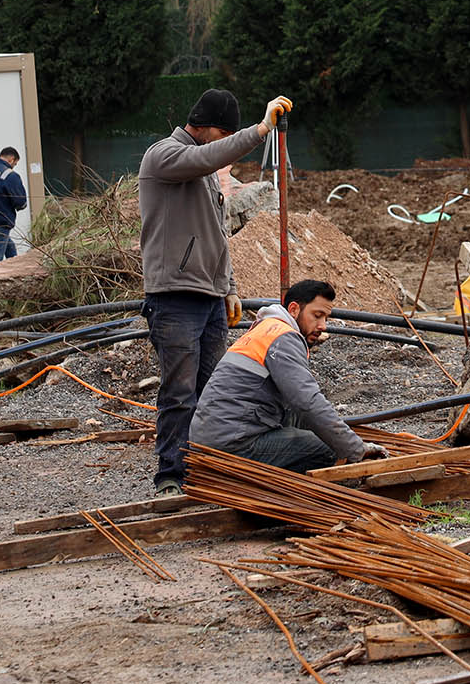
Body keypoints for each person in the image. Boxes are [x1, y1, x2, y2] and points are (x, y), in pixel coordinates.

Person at [140, 87, 292, 496]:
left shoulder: (206, 172)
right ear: (205, 127)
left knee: (211, 391)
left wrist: (229, 288)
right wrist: (260, 130)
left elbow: (217, 236)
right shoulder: (164, 156)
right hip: (174, 296)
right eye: (222, 136)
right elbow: (207, 156)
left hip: (208, 297)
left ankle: (207, 470)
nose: (225, 146)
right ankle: (171, 474)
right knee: (180, 392)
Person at [191, 278, 387, 473]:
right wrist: (355, 449)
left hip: (211, 439)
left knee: (307, 423)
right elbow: (308, 402)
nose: (323, 326)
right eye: (317, 316)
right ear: (294, 309)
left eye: (326, 318)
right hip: (232, 445)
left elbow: (300, 406)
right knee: (329, 449)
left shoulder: (266, 329)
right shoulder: (283, 337)